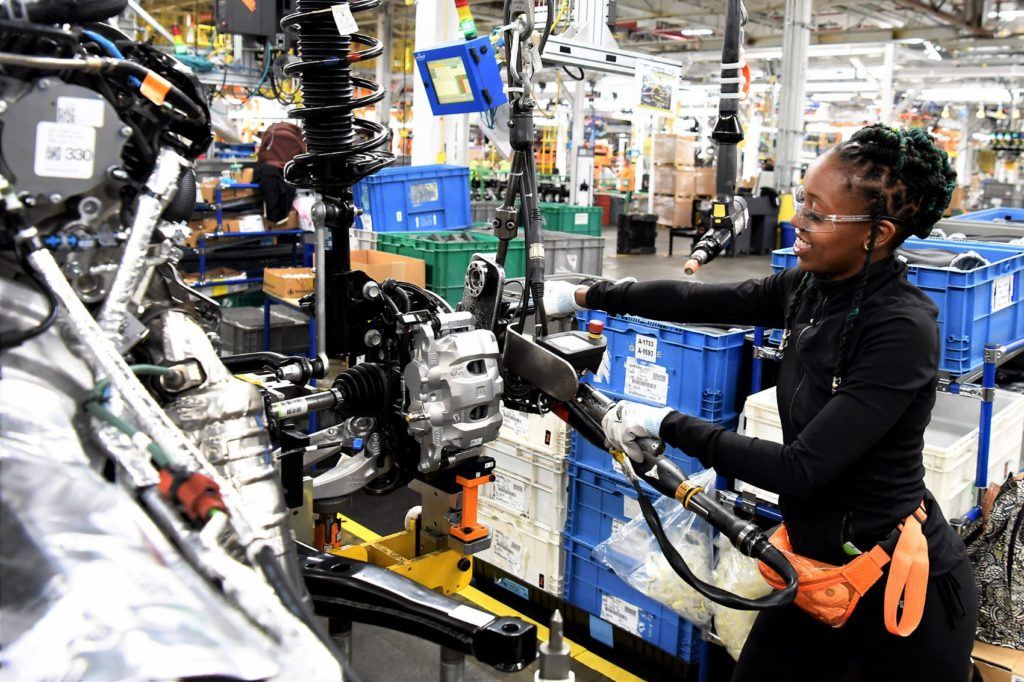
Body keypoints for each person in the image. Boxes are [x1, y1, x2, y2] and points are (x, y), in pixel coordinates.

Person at [544, 124, 978, 682]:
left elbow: (801, 469)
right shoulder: (809, 288)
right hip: (811, 570)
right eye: (803, 203)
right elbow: (695, 300)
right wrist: (586, 293)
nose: (796, 221)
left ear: (878, 232)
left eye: (818, 214)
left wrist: (664, 421)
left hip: (897, 598)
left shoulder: (900, 327)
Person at [254, 122, 306, 223]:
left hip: (268, 175)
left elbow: (261, 156)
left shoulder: (266, 170)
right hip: (289, 176)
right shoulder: (292, 175)